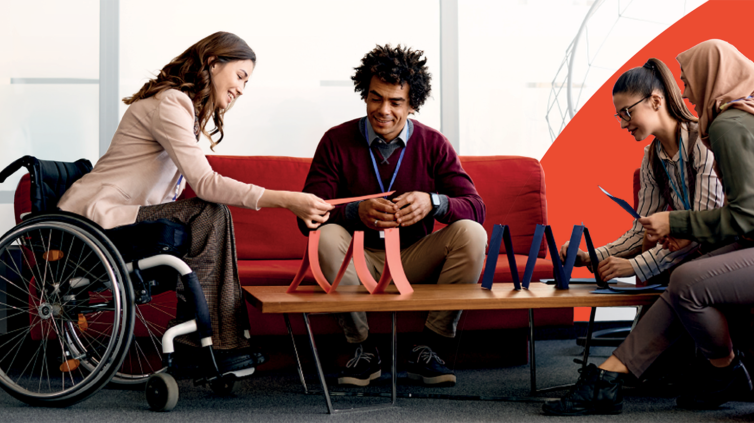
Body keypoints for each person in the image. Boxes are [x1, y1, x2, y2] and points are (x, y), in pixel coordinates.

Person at [543, 39, 754, 416]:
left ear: (712, 76)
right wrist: (671, 234)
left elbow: (746, 216)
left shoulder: (728, 125)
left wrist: (674, 222)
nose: (686, 91)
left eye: (689, 80)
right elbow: (748, 216)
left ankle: (724, 367)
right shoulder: (742, 116)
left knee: (687, 281)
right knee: (684, 280)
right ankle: (608, 376)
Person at [59, 32, 334, 371]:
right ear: (213, 62)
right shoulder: (171, 102)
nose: (241, 90)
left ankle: (216, 342)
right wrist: (286, 199)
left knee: (210, 215)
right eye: (240, 76)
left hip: (126, 217)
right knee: (208, 210)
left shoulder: (182, 108)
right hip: (98, 218)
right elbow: (205, 184)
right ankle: (205, 344)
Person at [299, 44, 487, 388]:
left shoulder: (434, 143)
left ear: (413, 104)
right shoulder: (336, 140)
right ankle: (363, 350)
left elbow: (476, 207)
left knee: (472, 233)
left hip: (415, 256)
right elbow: (306, 218)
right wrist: (356, 212)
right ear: (364, 95)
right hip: (358, 258)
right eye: (375, 98)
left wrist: (434, 203)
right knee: (324, 236)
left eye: (395, 102)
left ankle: (427, 348)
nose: (383, 110)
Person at [559, 58, 724, 286]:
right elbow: (640, 230)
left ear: (656, 101)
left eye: (627, 112)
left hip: (721, 252)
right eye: (619, 115)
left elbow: (703, 226)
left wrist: (635, 266)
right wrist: (592, 256)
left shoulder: (702, 142)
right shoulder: (652, 156)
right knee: (650, 238)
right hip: (685, 257)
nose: (622, 124)